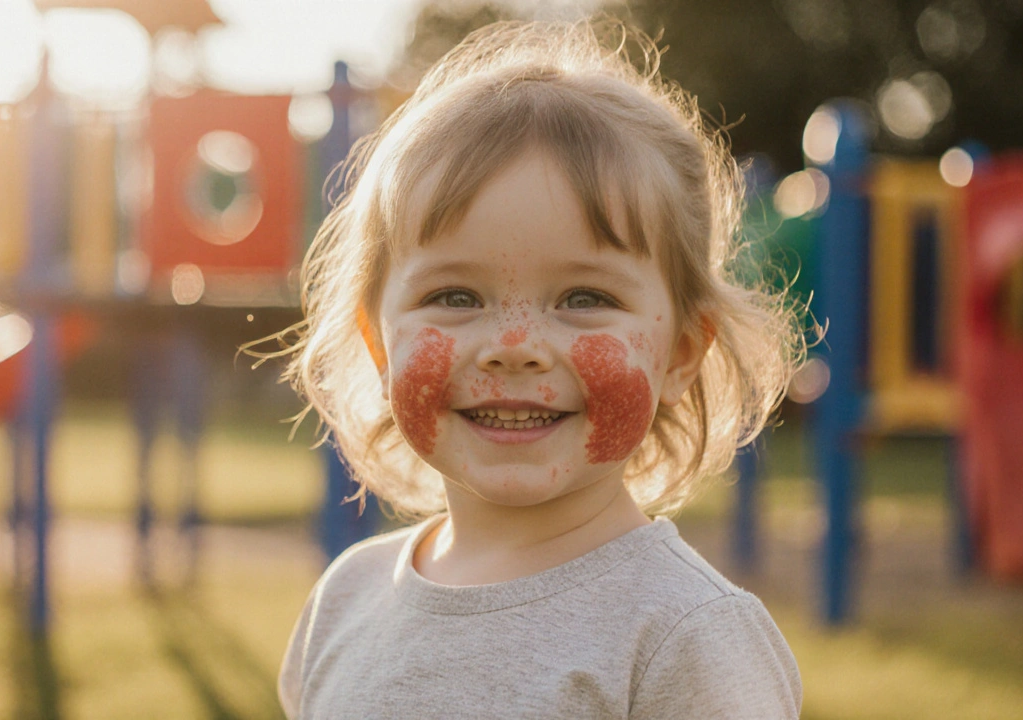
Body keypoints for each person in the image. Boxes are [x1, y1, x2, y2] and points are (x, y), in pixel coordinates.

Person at [262, 19, 805, 719]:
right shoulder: (345, 598)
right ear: (379, 340)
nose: (513, 345)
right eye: (454, 296)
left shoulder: (684, 637)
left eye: (585, 298)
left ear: (680, 354)